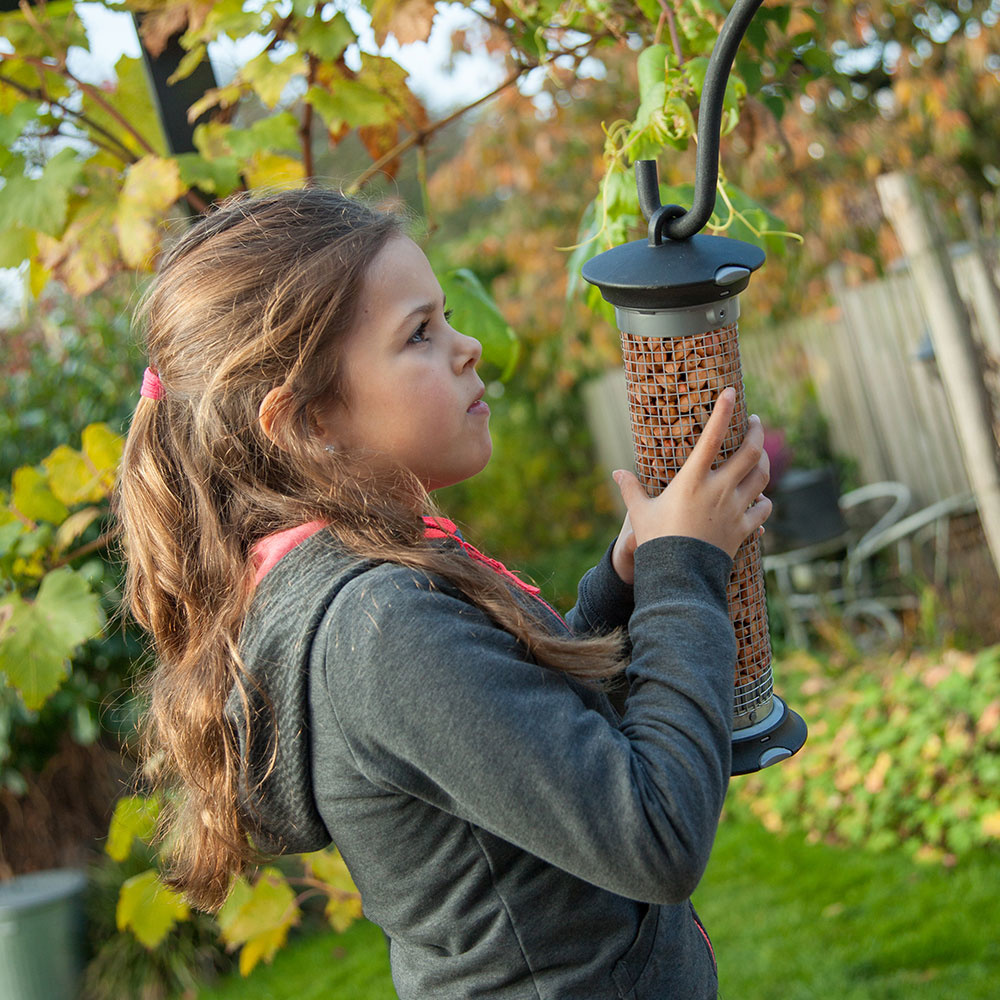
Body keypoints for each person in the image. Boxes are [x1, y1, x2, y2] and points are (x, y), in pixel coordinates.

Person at [116, 188, 771, 1000]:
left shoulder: (370, 581)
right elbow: (654, 834)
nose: (467, 348)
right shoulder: (376, 627)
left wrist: (627, 583)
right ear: (309, 420)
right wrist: (685, 569)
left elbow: (525, 740)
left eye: (447, 318)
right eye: (419, 333)